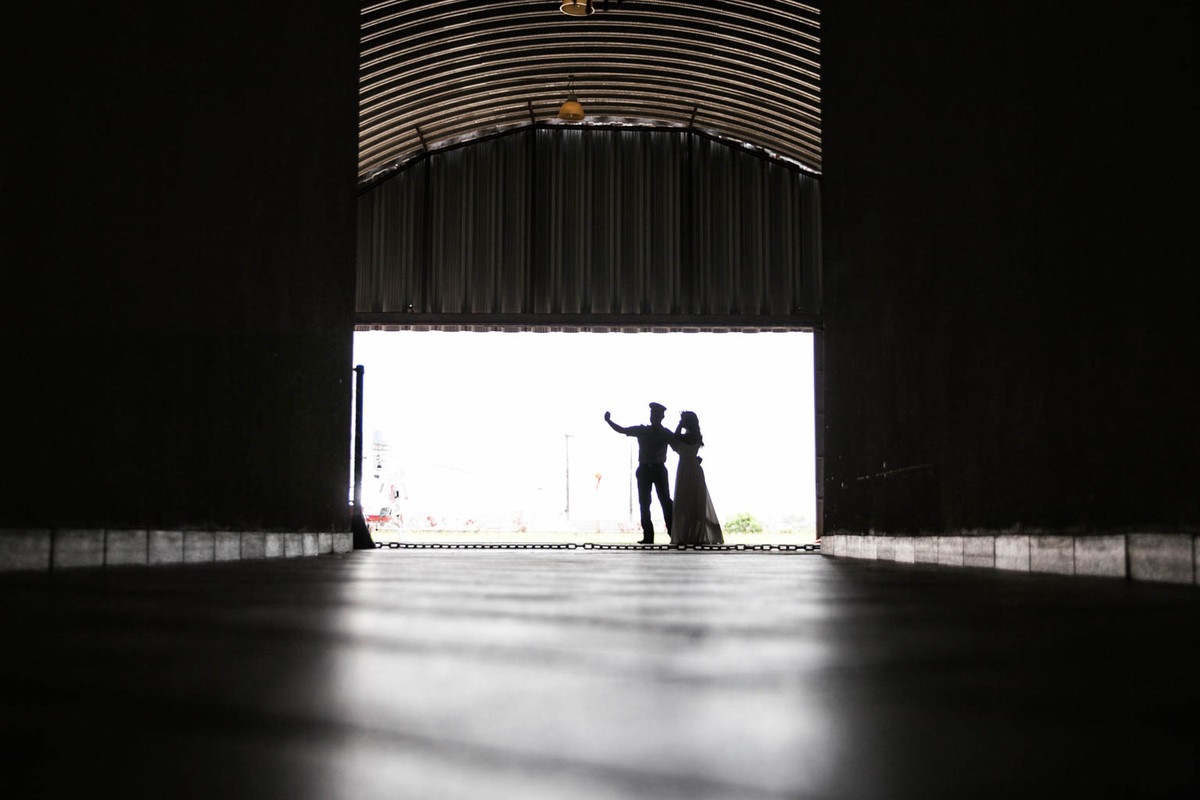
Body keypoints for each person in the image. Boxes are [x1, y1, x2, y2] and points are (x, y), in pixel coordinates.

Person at [604, 403, 674, 544]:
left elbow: (678, 445)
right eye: (652, 414)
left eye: (656, 414)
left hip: (658, 470)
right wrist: (609, 421)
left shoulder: (665, 433)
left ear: (662, 417)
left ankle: (673, 534)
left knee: (665, 502)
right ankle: (649, 536)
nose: (653, 417)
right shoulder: (646, 431)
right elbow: (622, 430)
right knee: (645, 503)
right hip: (646, 470)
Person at [669, 410, 724, 545]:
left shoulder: (688, 437)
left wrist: (680, 424)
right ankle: (695, 534)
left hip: (685, 470)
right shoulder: (696, 436)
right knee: (693, 504)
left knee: (687, 504)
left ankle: (688, 535)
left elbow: (675, 437)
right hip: (693, 469)